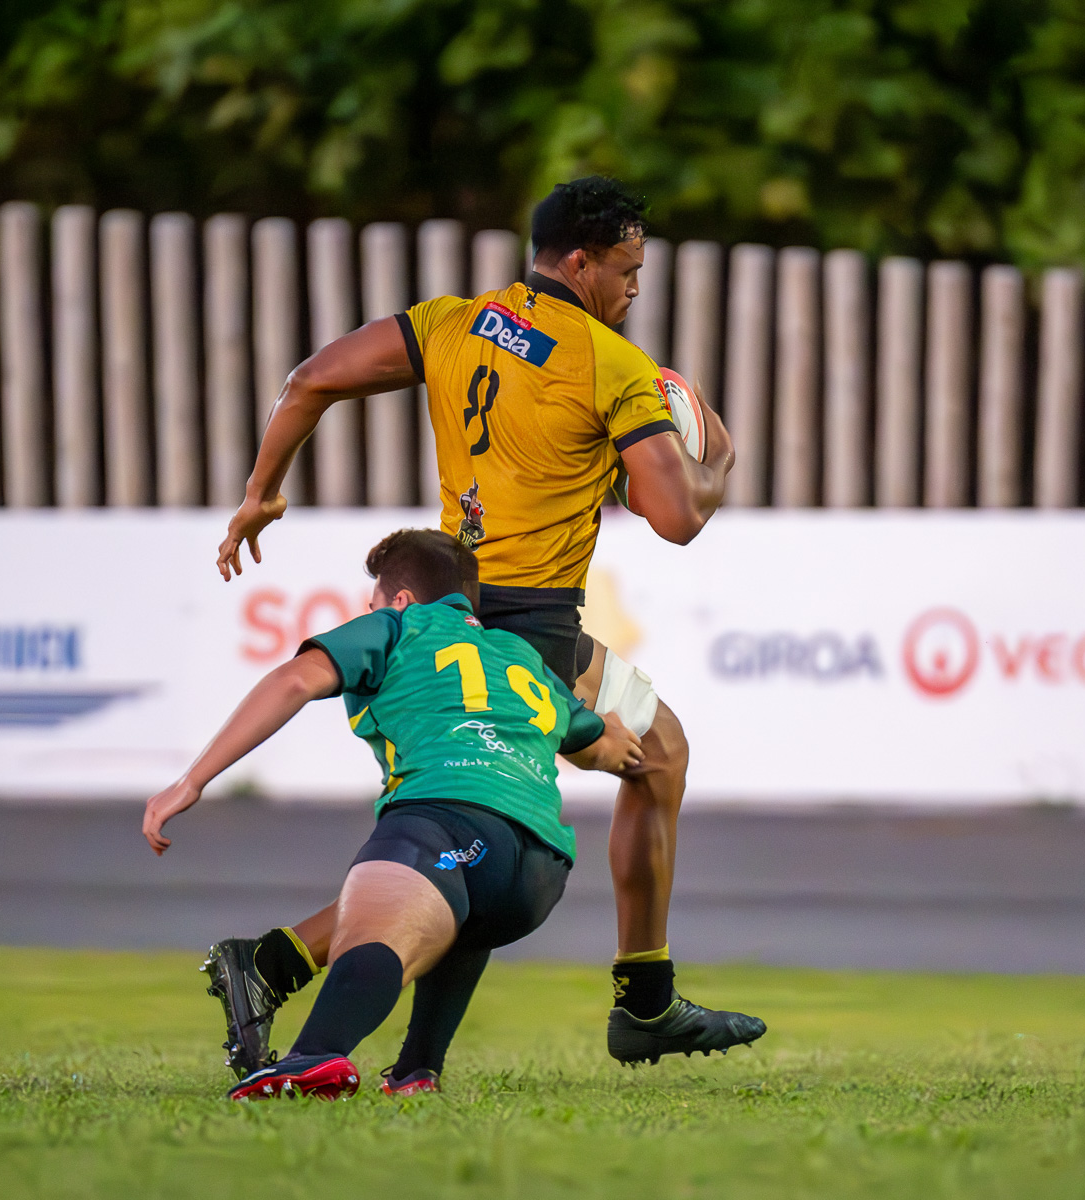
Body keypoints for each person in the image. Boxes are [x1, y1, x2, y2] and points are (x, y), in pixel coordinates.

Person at [204, 175, 764, 1072]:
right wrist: (719, 458)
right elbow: (678, 516)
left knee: (629, 765)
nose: (632, 289)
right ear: (580, 264)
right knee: (498, 832)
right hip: (530, 629)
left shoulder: (452, 323)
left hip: (449, 608)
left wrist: (261, 492)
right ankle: (639, 1008)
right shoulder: (612, 365)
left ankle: (276, 969)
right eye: (626, 270)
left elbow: (309, 380)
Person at [146, 529, 646, 1099]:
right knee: (455, 901)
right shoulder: (522, 657)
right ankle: (415, 1071)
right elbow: (601, 743)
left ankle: (312, 1056)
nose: (371, 611)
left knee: (382, 914)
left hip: (445, 817)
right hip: (538, 872)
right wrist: (627, 749)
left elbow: (293, 680)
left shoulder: (398, 627)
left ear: (401, 598)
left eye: (374, 601)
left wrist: (191, 781)